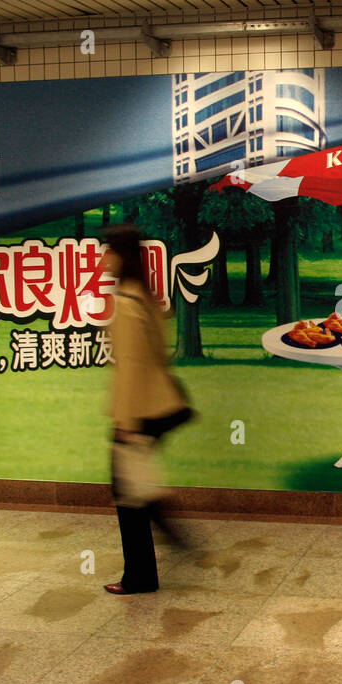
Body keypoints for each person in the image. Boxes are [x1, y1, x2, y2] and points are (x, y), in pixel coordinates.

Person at [101, 224, 193, 595]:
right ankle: (160, 539)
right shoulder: (146, 296)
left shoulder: (125, 302)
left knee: (127, 494)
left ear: (119, 254)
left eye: (107, 250)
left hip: (137, 411)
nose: (103, 259)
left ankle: (141, 574)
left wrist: (125, 423)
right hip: (161, 405)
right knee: (133, 486)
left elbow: (131, 366)